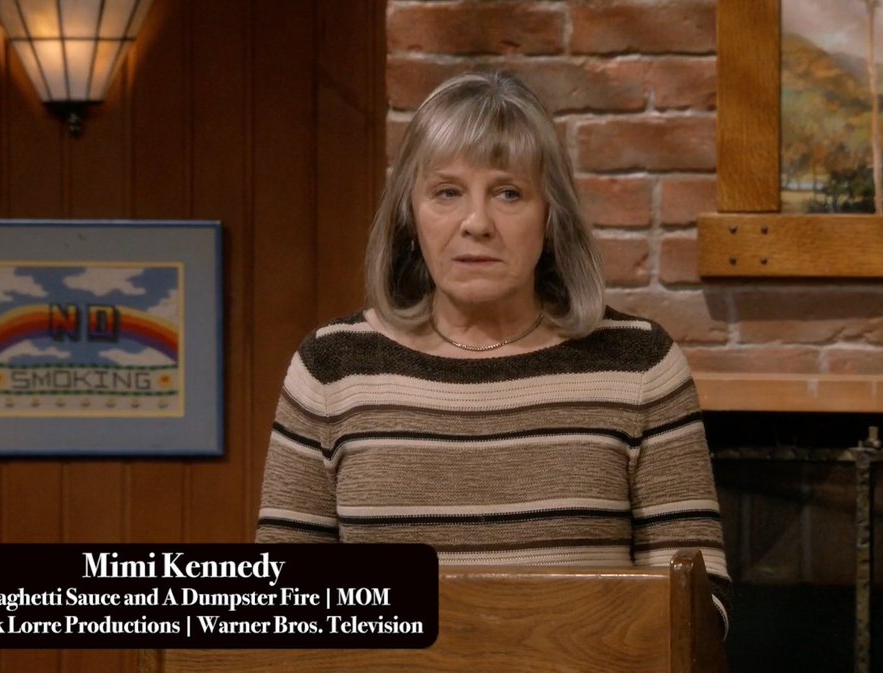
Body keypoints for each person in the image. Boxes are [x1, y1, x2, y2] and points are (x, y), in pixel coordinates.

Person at [255, 71, 731, 630]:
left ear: (550, 217)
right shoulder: (331, 369)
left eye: (508, 193)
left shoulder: (639, 363)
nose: (476, 223)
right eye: (447, 192)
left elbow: (701, 608)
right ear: (409, 216)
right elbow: (283, 606)